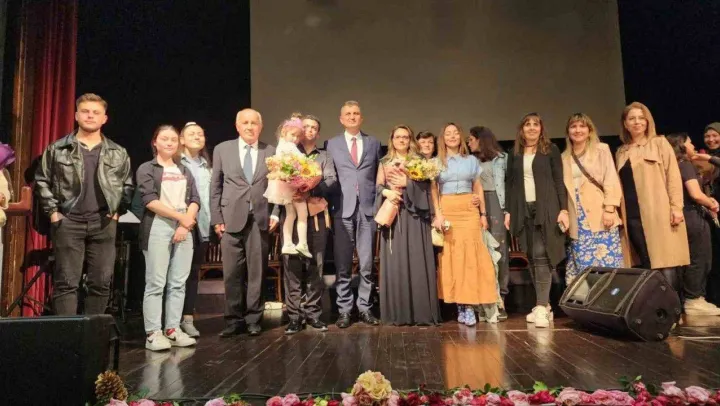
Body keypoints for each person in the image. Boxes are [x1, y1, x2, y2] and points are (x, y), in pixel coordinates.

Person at [34, 93, 133, 315]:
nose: (90, 116)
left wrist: (117, 212)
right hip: (68, 222)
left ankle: (92, 335)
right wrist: (53, 212)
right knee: (66, 283)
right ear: (76, 115)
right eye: (85, 111)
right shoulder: (58, 149)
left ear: (104, 118)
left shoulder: (118, 152)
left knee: (101, 283)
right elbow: (41, 181)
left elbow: (127, 186)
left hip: (103, 223)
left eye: (96, 112)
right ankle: (68, 335)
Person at [211, 109, 278, 337]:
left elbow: (279, 185)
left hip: (260, 218)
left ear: (261, 126)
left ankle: (253, 319)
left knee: (257, 273)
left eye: (254, 123)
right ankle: (233, 320)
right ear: (237, 126)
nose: (250, 127)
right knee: (232, 273)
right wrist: (216, 218)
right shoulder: (222, 149)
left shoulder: (270, 151)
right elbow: (215, 186)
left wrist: (275, 213)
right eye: (245, 123)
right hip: (230, 219)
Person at [137, 125, 200, 351]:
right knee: (156, 282)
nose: (170, 142)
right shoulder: (147, 168)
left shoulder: (184, 169)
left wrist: (185, 222)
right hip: (158, 225)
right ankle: (153, 333)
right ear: (155, 142)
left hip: (184, 226)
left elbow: (195, 199)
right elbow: (149, 200)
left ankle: (173, 329)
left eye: (174, 139)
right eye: (165, 139)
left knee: (178, 283)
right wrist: (181, 218)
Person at [615, 102, 689, 289]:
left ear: (648, 121)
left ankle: (671, 304)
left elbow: (673, 176)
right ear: (625, 123)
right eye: (632, 118)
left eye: (641, 118)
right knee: (646, 261)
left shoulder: (659, 143)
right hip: (632, 216)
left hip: (658, 212)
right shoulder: (621, 151)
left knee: (665, 261)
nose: (637, 122)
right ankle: (655, 304)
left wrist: (676, 207)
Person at [431, 123, 498, 326]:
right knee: (454, 258)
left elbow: (478, 187)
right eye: (448, 133)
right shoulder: (436, 162)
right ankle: (459, 303)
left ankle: (469, 305)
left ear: (460, 137)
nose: (452, 136)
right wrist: (438, 214)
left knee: (470, 258)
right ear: (443, 138)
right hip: (448, 209)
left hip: (469, 210)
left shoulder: (471, 160)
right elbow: (434, 190)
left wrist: (483, 214)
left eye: (455, 133)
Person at [505, 113, 568, 328]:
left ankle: (540, 305)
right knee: (531, 256)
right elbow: (511, 184)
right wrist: (508, 212)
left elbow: (559, 180)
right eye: (527, 124)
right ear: (521, 129)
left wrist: (563, 209)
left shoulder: (550, 150)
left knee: (541, 255)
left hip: (547, 209)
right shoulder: (514, 153)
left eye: (535, 124)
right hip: (523, 210)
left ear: (541, 129)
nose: (531, 128)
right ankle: (545, 306)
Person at [376, 125, 440, 325]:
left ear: (410, 140)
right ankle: (398, 313)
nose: (402, 140)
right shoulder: (384, 162)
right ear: (392, 140)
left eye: (405, 137)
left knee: (417, 259)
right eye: (398, 137)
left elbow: (428, 188)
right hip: (394, 215)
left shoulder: (419, 160)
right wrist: (387, 192)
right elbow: (377, 187)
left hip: (415, 216)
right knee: (396, 261)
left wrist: (408, 183)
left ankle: (421, 313)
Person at [326, 101, 382, 328]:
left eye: (356, 113)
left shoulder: (373, 142)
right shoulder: (332, 144)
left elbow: (378, 176)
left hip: (367, 210)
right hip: (342, 209)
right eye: (348, 114)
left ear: (362, 118)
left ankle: (365, 308)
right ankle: (344, 310)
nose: (352, 117)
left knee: (367, 264)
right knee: (343, 264)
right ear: (341, 119)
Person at [280, 114, 337, 334]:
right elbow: (276, 179)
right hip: (291, 214)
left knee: (316, 265)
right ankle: (294, 316)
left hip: (317, 216)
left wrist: (309, 189)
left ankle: (313, 313)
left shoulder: (324, 156)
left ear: (318, 133)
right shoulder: (288, 152)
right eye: (306, 127)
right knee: (292, 266)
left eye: (314, 127)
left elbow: (331, 181)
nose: (309, 130)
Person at [561, 113, 624, 283]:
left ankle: (609, 296)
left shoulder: (601, 149)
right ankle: (590, 297)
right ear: (568, 131)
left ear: (589, 130)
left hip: (600, 213)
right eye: (573, 126)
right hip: (577, 217)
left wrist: (609, 209)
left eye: (582, 126)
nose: (578, 130)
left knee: (607, 261)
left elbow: (611, 179)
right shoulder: (564, 157)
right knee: (583, 264)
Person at [666, 132, 720, 315]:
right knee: (700, 257)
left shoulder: (670, 165)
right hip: (692, 216)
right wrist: (711, 203)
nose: (694, 147)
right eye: (690, 143)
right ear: (681, 145)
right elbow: (696, 194)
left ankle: (689, 298)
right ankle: (694, 299)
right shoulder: (685, 164)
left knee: (686, 259)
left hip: (681, 217)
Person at [467, 126, 509, 321]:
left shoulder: (502, 159)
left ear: (480, 139)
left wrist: (508, 210)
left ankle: (501, 300)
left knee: (499, 252)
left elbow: (510, 185)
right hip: (477, 206)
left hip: (497, 205)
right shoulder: (470, 161)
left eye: (471, 139)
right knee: (480, 253)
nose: (468, 143)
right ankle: (483, 301)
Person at [178, 122, 212, 337]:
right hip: (179, 225)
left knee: (192, 274)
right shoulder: (175, 162)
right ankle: (169, 320)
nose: (197, 137)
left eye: (200, 134)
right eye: (191, 134)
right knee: (175, 275)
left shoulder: (208, 166)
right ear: (181, 139)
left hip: (202, 227)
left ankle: (187, 318)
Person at [264, 118, 311, 258]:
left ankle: (288, 244)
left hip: (284, 185)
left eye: (298, 136)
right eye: (293, 135)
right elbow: (301, 160)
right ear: (284, 132)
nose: (295, 139)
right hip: (292, 185)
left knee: (291, 214)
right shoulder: (289, 147)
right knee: (303, 213)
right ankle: (302, 243)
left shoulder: (280, 145)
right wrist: (308, 164)